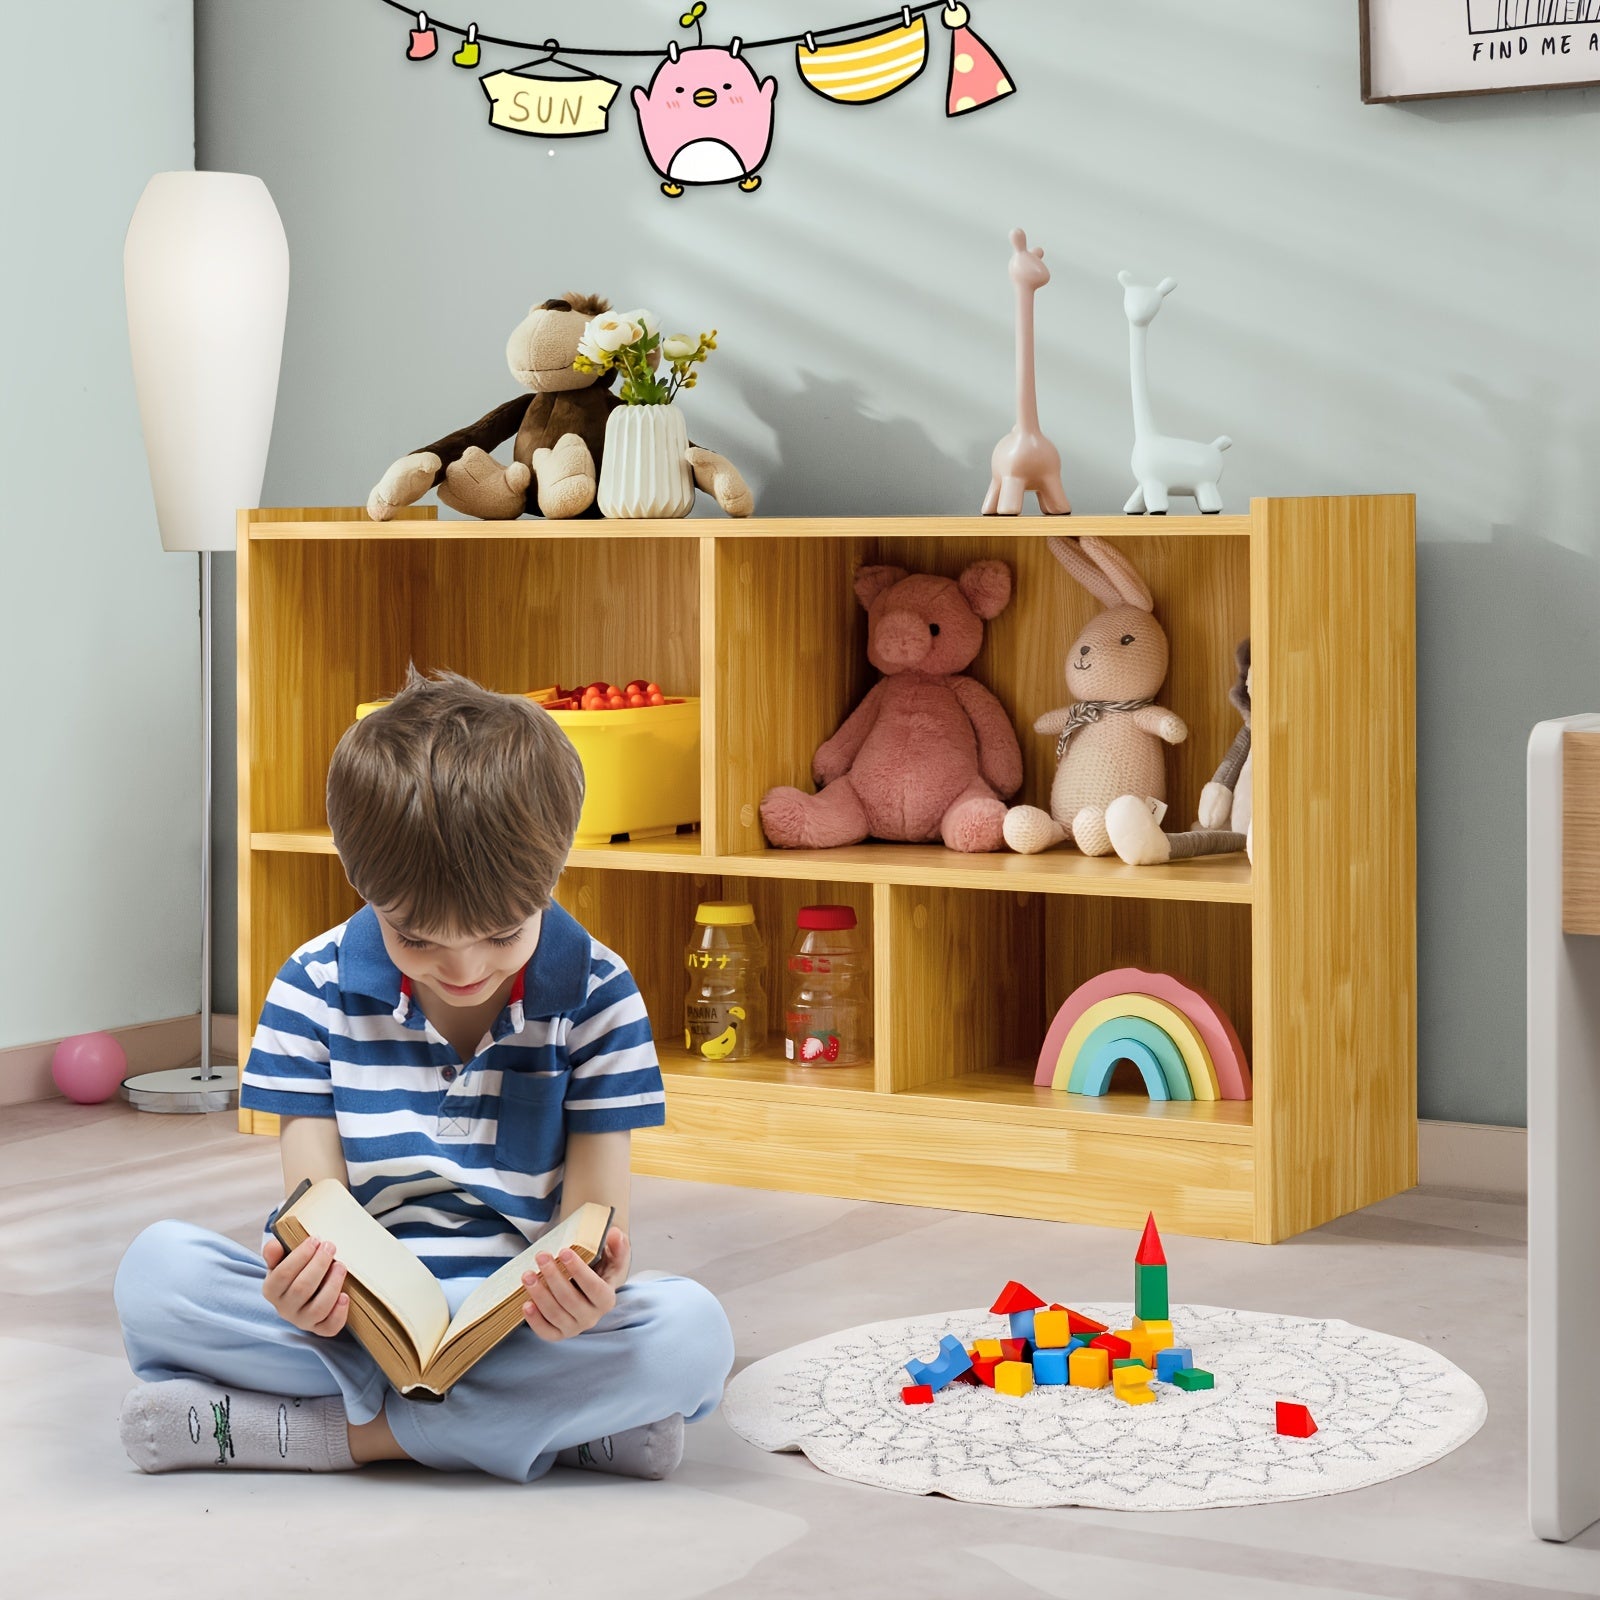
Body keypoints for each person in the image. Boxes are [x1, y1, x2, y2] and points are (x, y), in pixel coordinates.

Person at [113, 669, 733, 1482]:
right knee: (157, 1274)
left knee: (692, 1333)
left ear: (553, 878)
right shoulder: (311, 985)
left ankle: (328, 1436)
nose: (463, 968)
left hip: (515, 1328)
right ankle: (556, 1429)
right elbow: (317, 1207)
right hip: (356, 1326)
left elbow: (590, 1221)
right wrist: (301, 1284)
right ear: (360, 884)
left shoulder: (597, 992)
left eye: (503, 933)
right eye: (415, 939)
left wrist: (591, 1289)